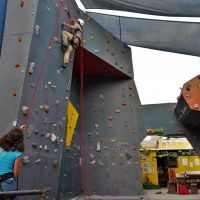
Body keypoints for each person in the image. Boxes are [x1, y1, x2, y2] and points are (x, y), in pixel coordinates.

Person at [0, 128, 24, 200]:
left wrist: (19, 130)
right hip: (7, 183)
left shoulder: (0, 147)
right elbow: (16, 173)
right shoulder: (17, 154)